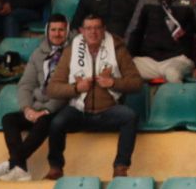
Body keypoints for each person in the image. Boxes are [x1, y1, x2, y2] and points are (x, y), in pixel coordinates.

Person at [46, 13, 142, 178]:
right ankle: (56, 168)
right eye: (89, 28)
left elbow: (136, 83)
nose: (93, 32)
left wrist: (113, 83)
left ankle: (120, 167)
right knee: (57, 122)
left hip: (108, 111)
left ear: (104, 30)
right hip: (79, 111)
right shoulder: (71, 50)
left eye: (97, 28)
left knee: (130, 116)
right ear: (82, 31)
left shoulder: (117, 48)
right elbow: (53, 89)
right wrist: (76, 88)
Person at [0, 12, 68, 181]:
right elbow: (25, 84)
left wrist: (45, 110)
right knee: (9, 119)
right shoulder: (38, 53)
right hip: (37, 106)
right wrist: (27, 108)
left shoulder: (72, 54)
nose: (57, 34)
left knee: (45, 121)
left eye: (61, 30)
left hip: (60, 107)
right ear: (47, 31)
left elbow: (67, 89)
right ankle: (20, 168)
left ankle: (12, 164)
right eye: (53, 30)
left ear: (67, 32)